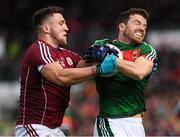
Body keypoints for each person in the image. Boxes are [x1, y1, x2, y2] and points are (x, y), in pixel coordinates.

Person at [14, 6, 118, 137]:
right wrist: (97, 69)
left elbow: (80, 68)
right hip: (34, 127)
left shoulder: (66, 55)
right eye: (61, 23)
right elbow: (60, 77)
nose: (67, 28)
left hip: (54, 129)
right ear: (46, 28)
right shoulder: (38, 49)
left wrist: (98, 53)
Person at [83, 8, 158, 137]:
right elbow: (78, 69)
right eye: (137, 23)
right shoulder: (102, 45)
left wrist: (110, 59)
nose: (142, 28)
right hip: (110, 122)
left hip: (137, 125)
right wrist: (94, 62)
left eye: (144, 26)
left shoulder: (146, 49)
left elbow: (139, 72)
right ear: (122, 26)